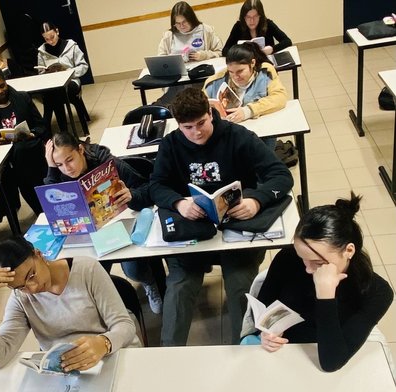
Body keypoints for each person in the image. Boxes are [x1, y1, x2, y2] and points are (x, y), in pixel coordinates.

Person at [149, 87, 293, 346]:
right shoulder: (171, 144)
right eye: (188, 127)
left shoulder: (238, 136)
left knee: (239, 285)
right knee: (180, 285)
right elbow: (156, 186)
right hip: (195, 229)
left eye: (201, 123)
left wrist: (256, 200)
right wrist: (179, 203)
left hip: (238, 227)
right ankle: (168, 357)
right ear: (179, 125)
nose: (197, 132)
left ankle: (245, 350)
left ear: (211, 113)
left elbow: (281, 176)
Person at [242, 193, 393, 372]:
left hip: (330, 352)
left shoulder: (377, 292)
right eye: (302, 258)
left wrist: (326, 296)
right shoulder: (287, 258)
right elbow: (265, 307)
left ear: (349, 250)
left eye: (318, 262)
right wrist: (267, 332)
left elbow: (332, 362)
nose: (307, 268)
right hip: (284, 351)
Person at [0, 236, 141, 371]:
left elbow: (124, 325)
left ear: (39, 255)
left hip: (110, 354)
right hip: (70, 369)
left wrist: (104, 343)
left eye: (31, 275)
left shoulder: (87, 270)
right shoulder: (21, 298)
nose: (33, 288)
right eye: (21, 287)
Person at [44, 132, 163, 314]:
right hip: (88, 233)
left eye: (70, 160)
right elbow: (51, 207)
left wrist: (132, 195)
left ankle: (149, 282)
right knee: (89, 273)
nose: (67, 169)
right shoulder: (59, 175)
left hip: (120, 223)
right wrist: (51, 170)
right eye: (59, 164)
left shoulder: (107, 164)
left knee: (134, 270)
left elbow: (147, 189)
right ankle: (102, 305)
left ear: (81, 150)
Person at [0, 65, 50, 220]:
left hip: (29, 151)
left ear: (6, 82)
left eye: (2, 86)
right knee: (18, 178)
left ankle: (41, 210)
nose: (0, 91)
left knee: (25, 175)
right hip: (4, 157)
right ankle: (38, 211)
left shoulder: (22, 98)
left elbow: (41, 126)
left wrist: (32, 133)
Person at [203, 42, 287, 149]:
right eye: (231, 72)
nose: (235, 76)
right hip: (229, 135)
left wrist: (248, 111)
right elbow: (199, 106)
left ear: (252, 63)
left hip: (261, 134)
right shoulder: (215, 82)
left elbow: (280, 97)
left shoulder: (265, 73)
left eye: (240, 71)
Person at [37, 22, 90, 135]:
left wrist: (69, 72)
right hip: (53, 84)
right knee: (52, 93)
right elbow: (41, 72)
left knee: (52, 96)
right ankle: (62, 131)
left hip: (71, 81)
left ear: (57, 31)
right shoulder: (42, 52)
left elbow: (83, 66)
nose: (51, 41)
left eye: (52, 37)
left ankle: (56, 130)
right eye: (46, 39)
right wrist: (46, 73)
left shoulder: (71, 46)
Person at [222, 0, 292, 57]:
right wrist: (239, 53)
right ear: (243, 17)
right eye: (248, 17)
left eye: (255, 16)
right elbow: (225, 50)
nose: (252, 21)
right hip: (246, 66)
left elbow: (287, 41)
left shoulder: (268, 23)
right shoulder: (238, 26)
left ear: (260, 16)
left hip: (266, 62)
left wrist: (272, 49)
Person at [158, 1, 223, 61]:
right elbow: (161, 59)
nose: (181, 26)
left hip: (201, 70)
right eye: (178, 23)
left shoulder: (206, 30)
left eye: (184, 22)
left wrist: (205, 55)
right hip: (178, 72)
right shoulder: (168, 36)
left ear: (191, 19)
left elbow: (220, 52)